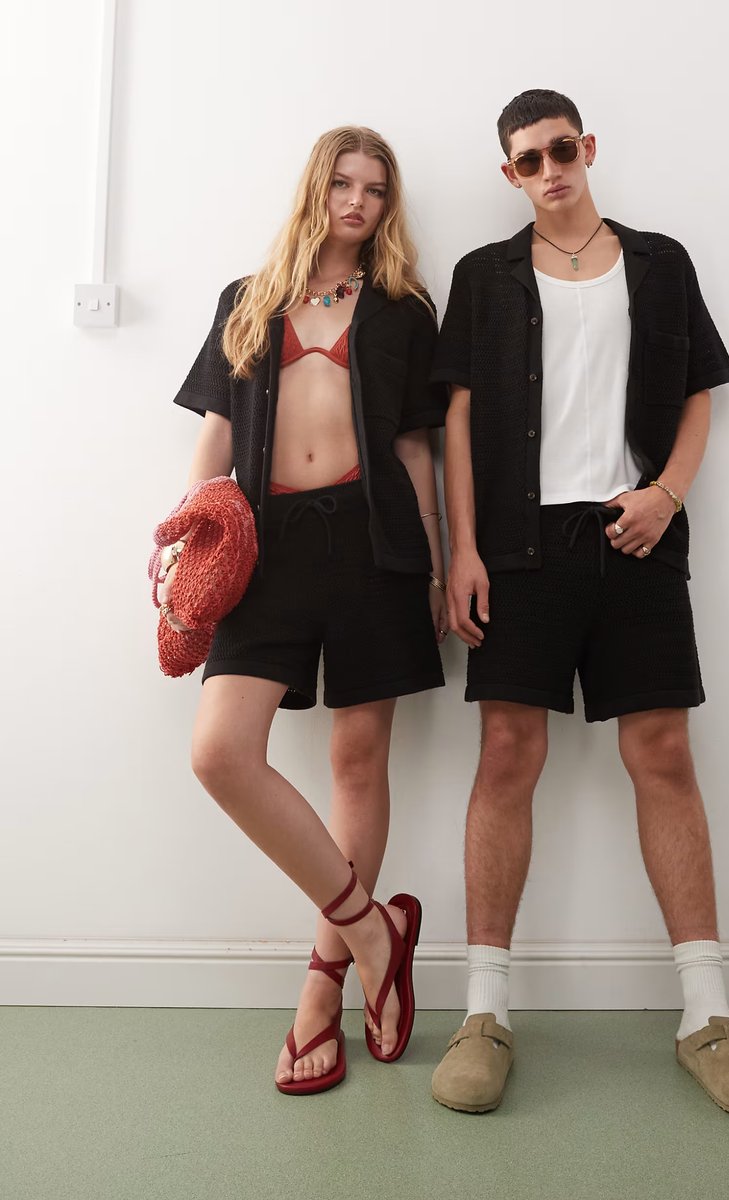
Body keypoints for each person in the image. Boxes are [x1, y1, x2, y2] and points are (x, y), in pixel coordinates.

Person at [429, 89, 729, 1117]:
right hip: (519, 548)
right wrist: (462, 550)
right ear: (509, 174)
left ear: (587, 148)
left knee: (662, 753)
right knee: (507, 754)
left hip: (637, 537)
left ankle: (707, 1016)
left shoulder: (660, 262)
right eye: (528, 160)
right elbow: (457, 420)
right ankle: (484, 1014)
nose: (550, 171)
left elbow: (698, 391)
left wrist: (667, 493)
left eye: (561, 150)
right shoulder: (483, 276)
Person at [161, 126, 448, 1095]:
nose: (357, 201)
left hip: (374, 545)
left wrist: (438, 565)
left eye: (376, 188)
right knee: (220, 752)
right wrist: (184, 541)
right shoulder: (247, 300)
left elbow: (415, 449)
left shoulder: (405, 309)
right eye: (342, 183)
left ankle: (321, 987)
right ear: (314, 190)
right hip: (265, 550)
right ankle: (375, 930)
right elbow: (215, 436)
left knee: (356, 761)